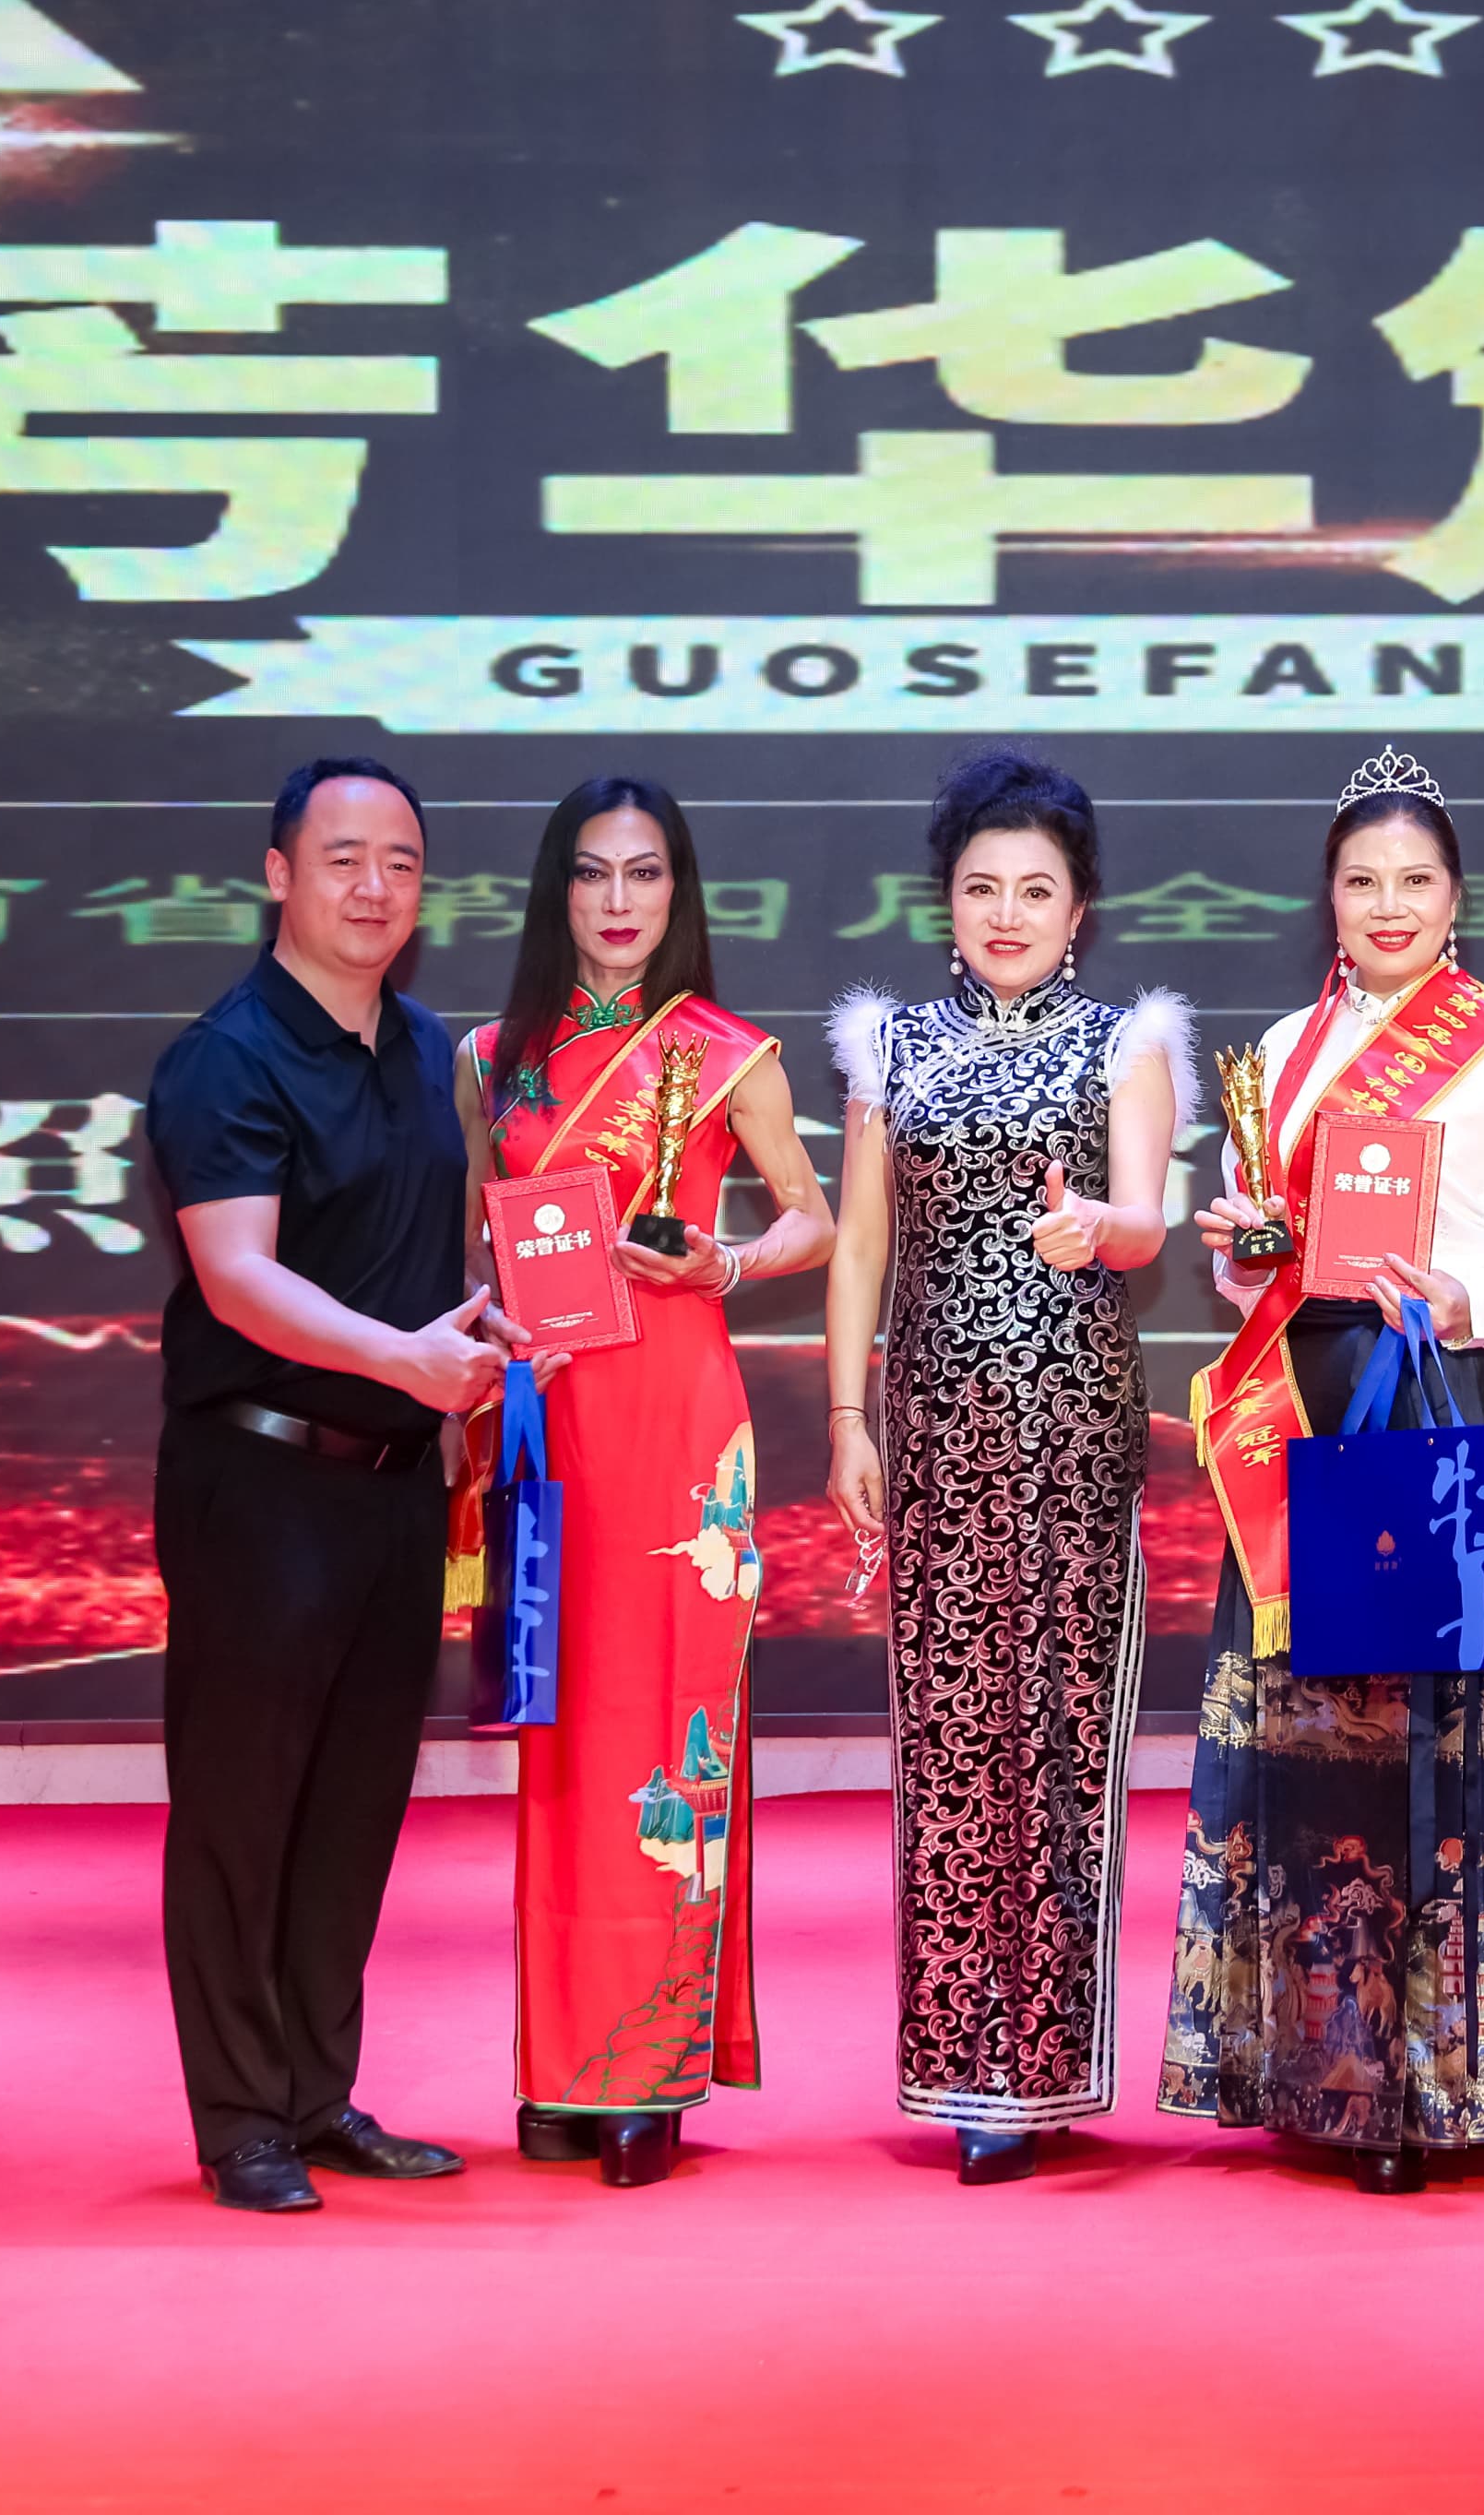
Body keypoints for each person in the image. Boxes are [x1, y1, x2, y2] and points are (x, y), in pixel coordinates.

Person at [1165, 748, 1484, 2194]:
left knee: (1451, 1736)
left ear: (1457, 897)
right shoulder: (1279, 1053)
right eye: (1362, 879)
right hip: (1317, 1407)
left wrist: (1462, 1293)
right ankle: (1327, 2072)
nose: (1388, 904)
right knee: (1328, 1735)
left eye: (1415, 880)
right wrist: (1243, 1249)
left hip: (1455, 1403)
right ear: (1328, 894)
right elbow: (1270, 1263)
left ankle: (1454, 2078)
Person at [146, 755, 551, 2214]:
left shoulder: (430, 1049)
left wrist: (489, 1332)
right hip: (260, 1484)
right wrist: (402, 1358)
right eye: (343, 860)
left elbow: (438, 1258)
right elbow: (237, 1277)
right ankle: (240, 2117)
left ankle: (320, 2095)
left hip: (392, 1487)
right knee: (242, 1807)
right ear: (278, 876)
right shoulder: (227, 1059)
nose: (375, 889)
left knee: (355, 1806)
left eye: (402, 864)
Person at [821, 750, 1193, 2185]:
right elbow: (862, 1246)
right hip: (933, 1436)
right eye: (982, 888)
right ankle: (960, 2063)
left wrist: (1094, 1226)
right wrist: (847, 1418)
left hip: (1074, 1438)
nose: (1007, 913)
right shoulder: (892, 1047)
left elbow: (1147, 1222)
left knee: (1062, 1739)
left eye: (1036, 890)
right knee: (951, 1743)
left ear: (1079, 908)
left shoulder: (1125, 1044)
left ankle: (1044, 2068)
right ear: (948, 901)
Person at [457, 777, 833, 2189]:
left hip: (680, 1425)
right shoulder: (495, 1057)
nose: (618, 902)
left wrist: (726, 1263)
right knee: (565, 1741)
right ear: (556, 891)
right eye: (592, 873)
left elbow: (811, 1217)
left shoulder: (728, 1054)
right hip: (551, 1419)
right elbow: (477, 1242)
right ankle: (561, 2065)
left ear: (680, 892)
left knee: (668, 1735)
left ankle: (651, 2069)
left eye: (646, 873)